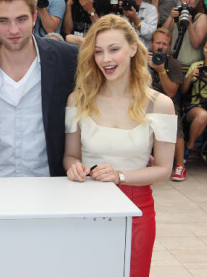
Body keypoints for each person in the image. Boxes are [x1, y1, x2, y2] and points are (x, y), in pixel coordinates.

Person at [64, 14, 176, 277]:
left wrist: (120, 176)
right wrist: (74, 168)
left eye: (114, 49)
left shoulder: (160, 105)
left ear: (134, 48)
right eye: (99, 52)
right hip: (84, 205)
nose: (106, 59)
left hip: (137, 210)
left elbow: (163, 169)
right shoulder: (77, 100)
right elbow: (70, 155)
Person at [0, 0, 78, 177]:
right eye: (3, 21)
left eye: (21, 19)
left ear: (34, 17)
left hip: (49, 185)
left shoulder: (66, 57)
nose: (13, 30)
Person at [147, 28, 185, 181]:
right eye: (158, 43)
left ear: (169, 47)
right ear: (151, 44)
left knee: (175, 123)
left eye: (165, 44)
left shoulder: (174, 64)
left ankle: (180, 165)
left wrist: (161, 70)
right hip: (145, 100)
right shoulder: (142, 60)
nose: (160, 47)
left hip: (166, 102)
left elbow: (171, 93)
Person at [180, 40, 207, 165]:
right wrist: (190, 76)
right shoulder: (196, 65)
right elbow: (183, 90)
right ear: (203, 49)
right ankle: (189, 148)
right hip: (195, 106)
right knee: (203, 115)